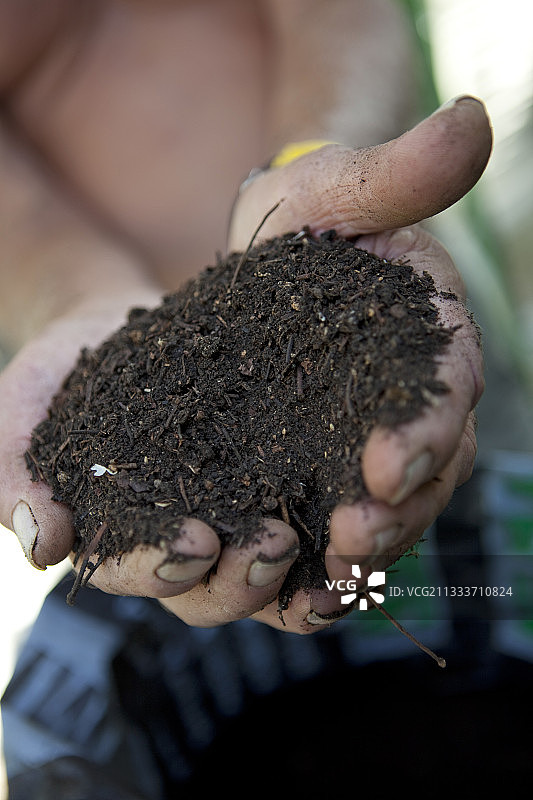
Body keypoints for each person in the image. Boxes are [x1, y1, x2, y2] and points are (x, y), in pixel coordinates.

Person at [0, 0, 491, 631]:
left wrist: (312, 156)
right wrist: (74, 296)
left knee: (477, 521)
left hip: (360, 255)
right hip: (119, 338)